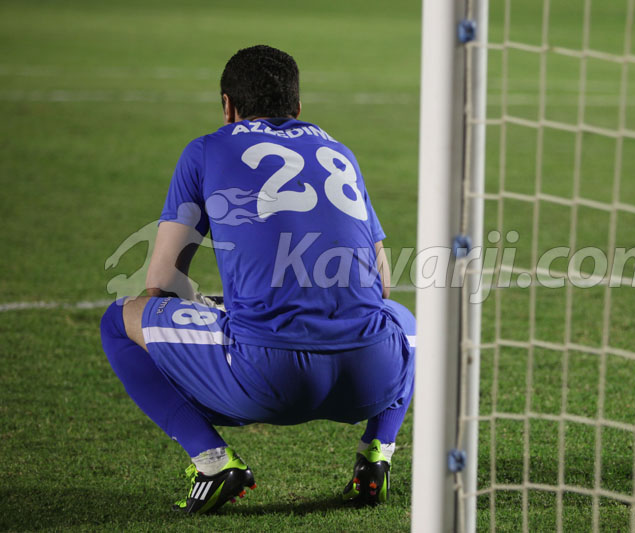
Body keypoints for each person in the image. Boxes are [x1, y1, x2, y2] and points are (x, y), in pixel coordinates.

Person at [99, 45, 415, 514]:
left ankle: (212, 461)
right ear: (298, 107)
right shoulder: (338, 152)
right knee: (404, 317)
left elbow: (162, 281)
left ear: (228, 105)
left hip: (267, 381)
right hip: (372, 376)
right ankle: (376, 455)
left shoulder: (206, 149)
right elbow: (382, 285)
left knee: (118, 319)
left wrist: (217, 306)